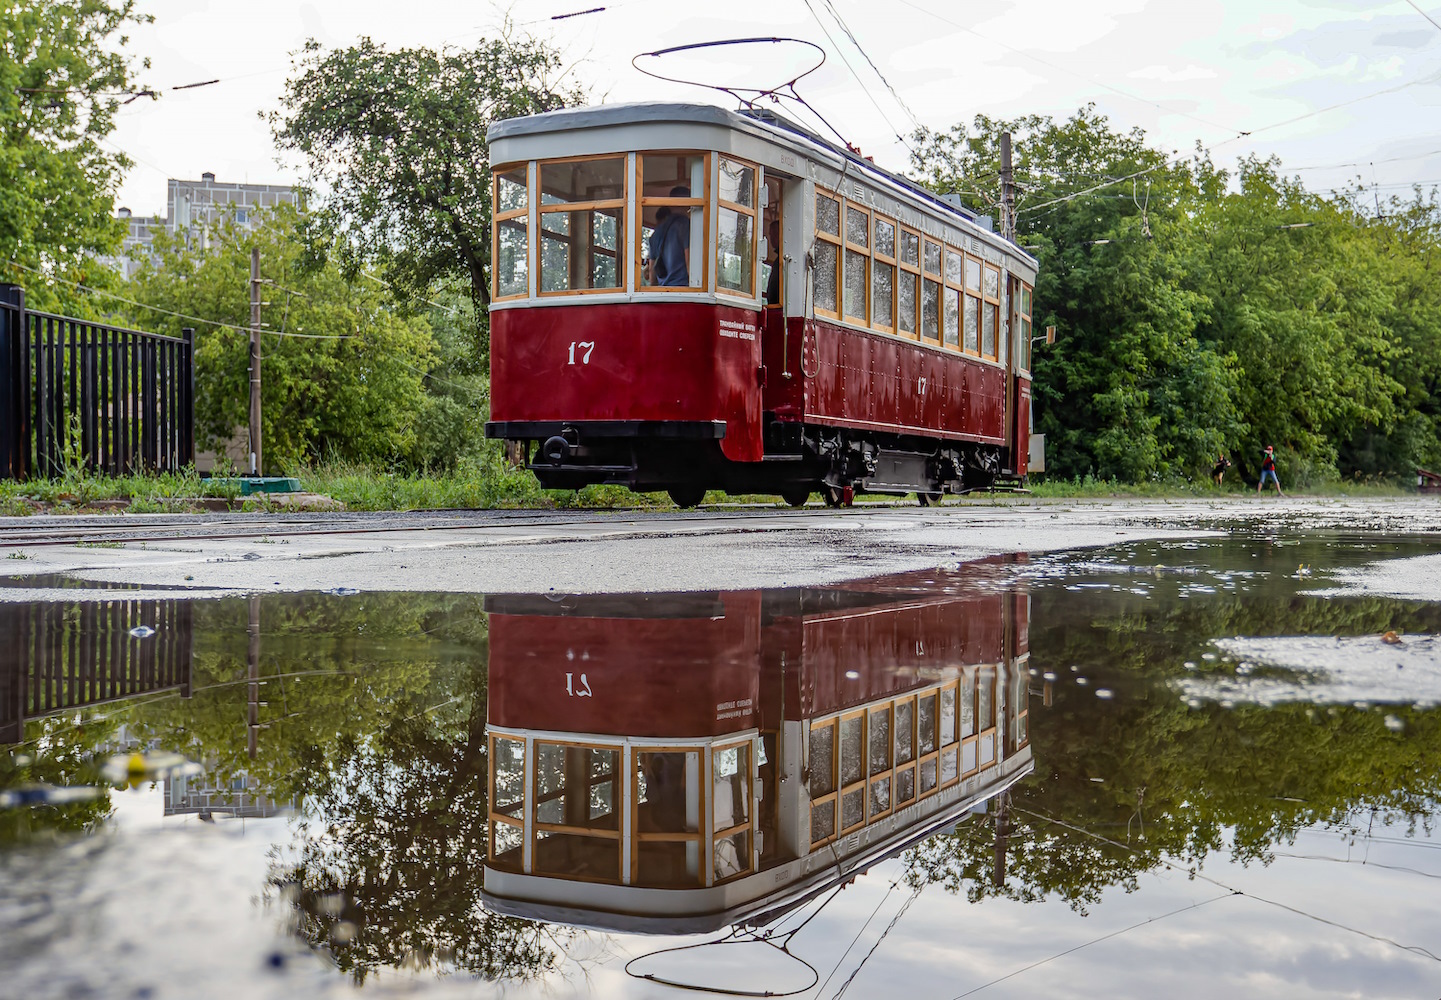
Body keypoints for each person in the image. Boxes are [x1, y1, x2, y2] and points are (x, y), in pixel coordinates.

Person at [648, 185, 691, 286]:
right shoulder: (686, 225)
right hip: (683, 287)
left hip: (663, 289)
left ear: (670, 204)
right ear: (689, 204)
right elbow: (689, 260)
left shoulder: (655, 234)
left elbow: (651, 273)